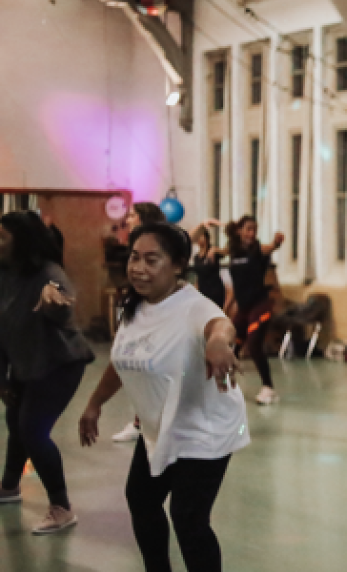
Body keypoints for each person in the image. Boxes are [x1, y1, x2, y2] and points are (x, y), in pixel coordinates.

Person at [79, 222, 248, 572]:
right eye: (134, 258)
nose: (139, 268)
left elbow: (220, 325)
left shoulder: (192, 306)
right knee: (141, 500)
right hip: (160, 426)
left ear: (177, 264)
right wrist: (95, 403)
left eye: (151, 260)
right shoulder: (135, 306)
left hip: (204, 430)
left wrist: (217, 344)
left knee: (188, 519)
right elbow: (122, 361)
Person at [0, 211, 95, 534]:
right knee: (14, 420)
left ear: (22, 241)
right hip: (26, 364)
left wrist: (52, 301)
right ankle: (9, 486)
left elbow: (64, 309)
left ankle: (61, 507)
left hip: (60, 364)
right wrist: (2, 379)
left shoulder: (48, 273)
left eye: (2, 237)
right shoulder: (4, 274)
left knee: (32, 429)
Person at [112, 203, 169, 443]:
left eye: (133, 215)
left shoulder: (161, 245)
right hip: (139, 307)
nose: (128, 218)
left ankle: (147, 421)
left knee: (153, 368)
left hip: (158, 313)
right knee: (135, 365)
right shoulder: (134, 243)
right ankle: (141, 421)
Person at [216, 216, 285, 406]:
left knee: (254, 344)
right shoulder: (234, 251)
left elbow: (269, 248)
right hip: (243, 308)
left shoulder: (258, 250)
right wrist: (226, 308)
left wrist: (276, 243)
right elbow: (221, 253)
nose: (252, 233)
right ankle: (223, 386)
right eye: (248, 229)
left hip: (260, 305)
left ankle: (268, 388)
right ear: (239, 231)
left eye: (254, 229)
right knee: (231, 348)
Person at [189, 221, 230, 311]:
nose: (199, 239)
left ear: (207, 238)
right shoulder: (197, 257)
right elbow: (199, 276)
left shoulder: (213, 251)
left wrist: (224, 226)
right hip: (202, 291)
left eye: (202, 236)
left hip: (215, 291)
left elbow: (228, 251)